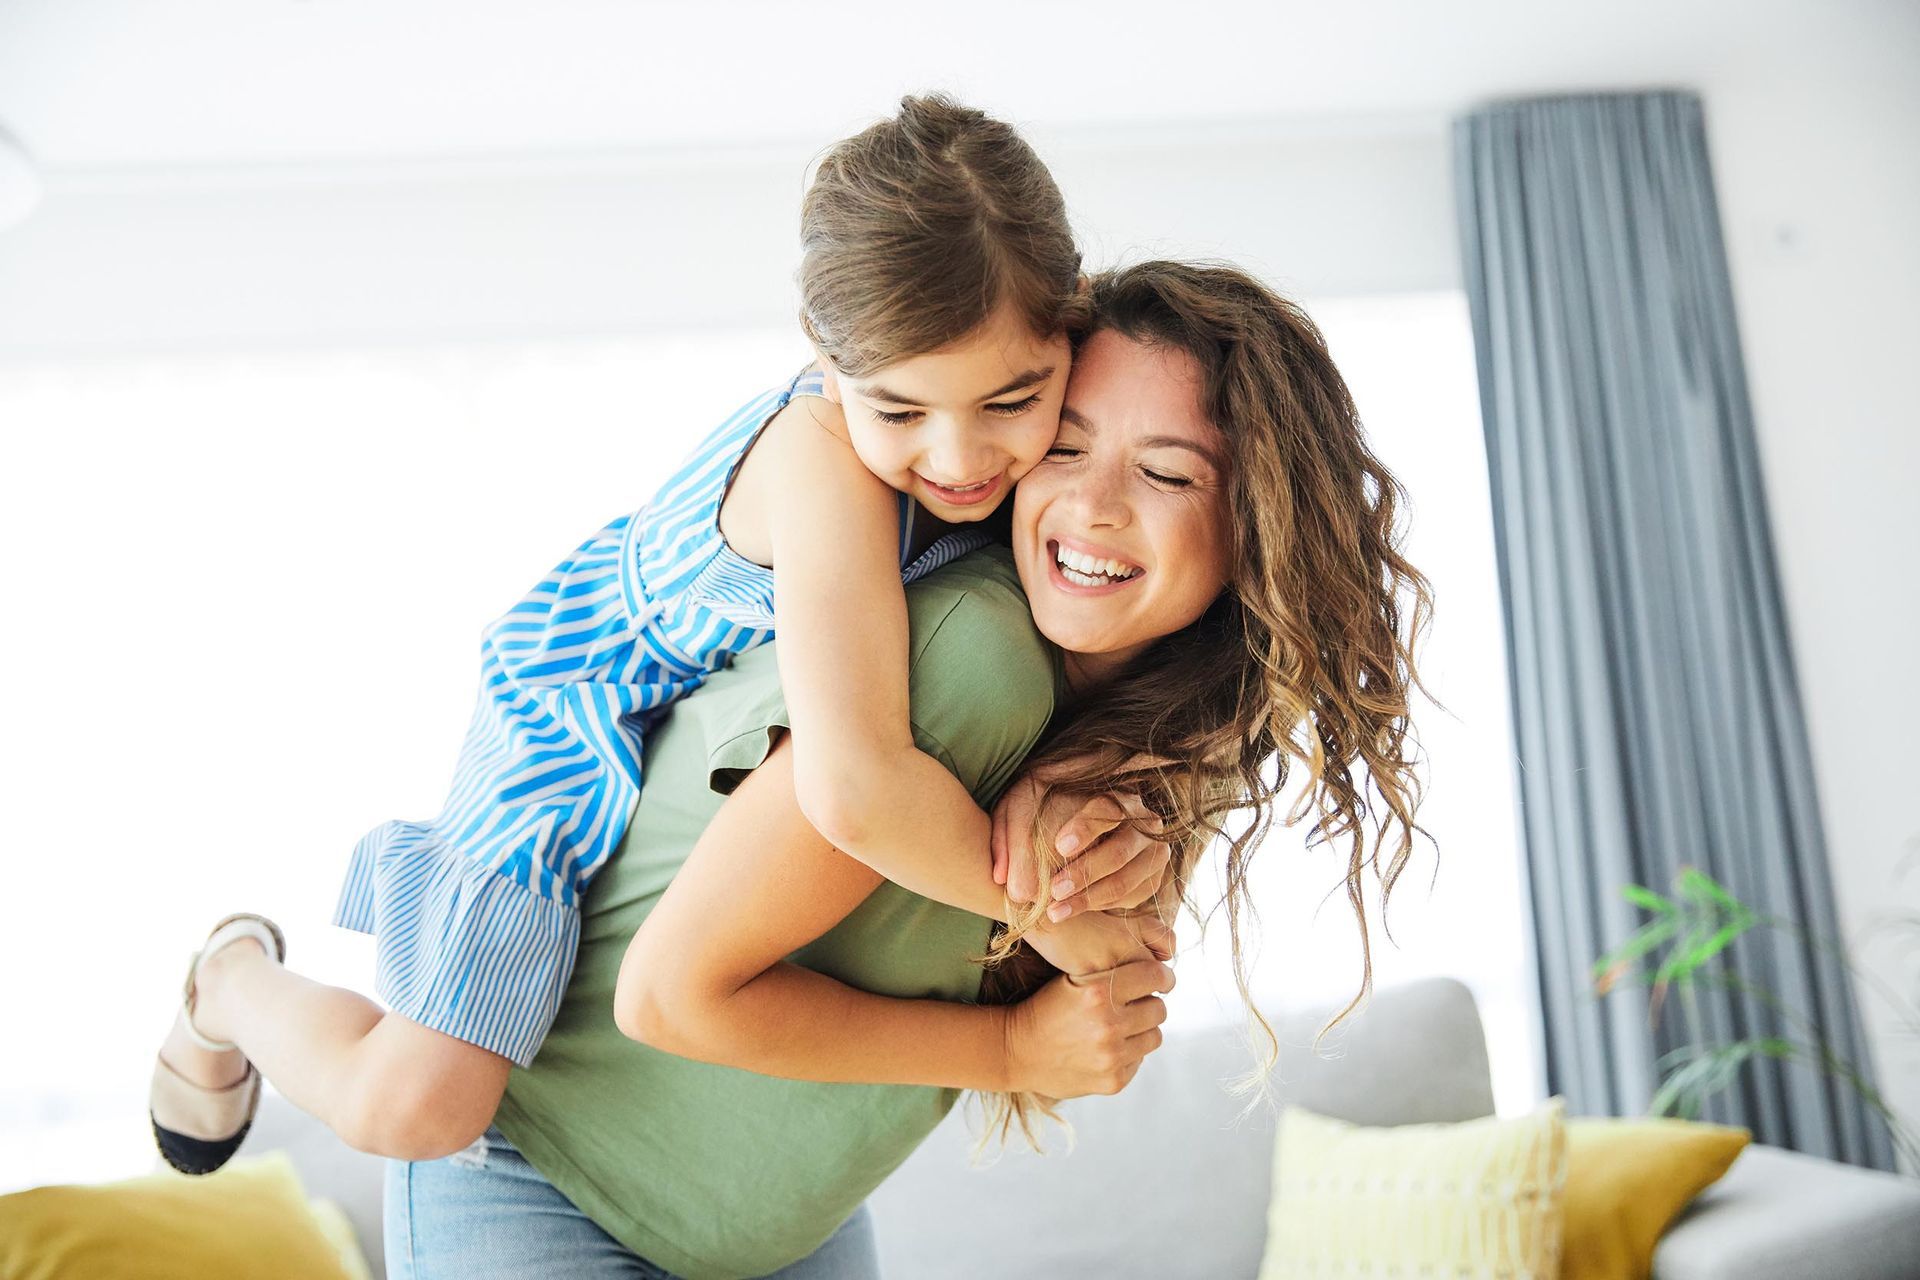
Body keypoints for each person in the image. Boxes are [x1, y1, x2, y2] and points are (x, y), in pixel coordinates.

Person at [146, 95, 1167, 1178]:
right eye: (901, 412)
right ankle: (228, 980)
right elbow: (856, 785)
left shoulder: (1037, 478)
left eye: (1014, 399)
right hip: (574, 693)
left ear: (1075, 334)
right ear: (824, 359)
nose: (960, 458)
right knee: (420, 1103)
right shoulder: (821, 459)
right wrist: (1048, 913)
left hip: (677, 730)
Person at [389, 260, 1438, 1279]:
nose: (1097, 504)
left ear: (1259, 525)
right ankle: (231, 986)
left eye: (1166, 472)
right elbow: (669, 997)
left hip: (776, 1229)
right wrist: (1016, 1047)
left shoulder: (1164, 732)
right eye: (1065, 449)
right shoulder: (971, 658)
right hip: (545, 1175)